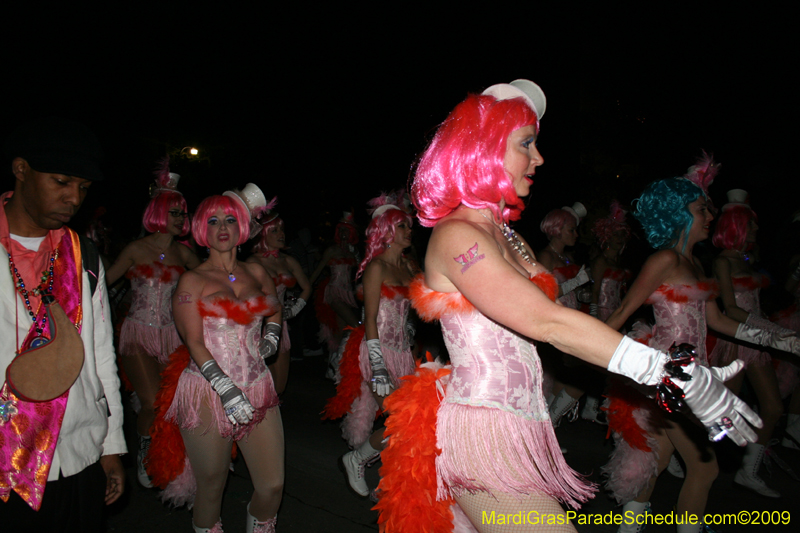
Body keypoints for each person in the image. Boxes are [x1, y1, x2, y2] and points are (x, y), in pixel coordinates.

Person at [373, 81, 761, 533]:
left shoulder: (508, 235)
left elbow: (553, 316)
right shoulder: (458, 235)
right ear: (485, 149)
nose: (538, 159)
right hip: (484, 435)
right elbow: (545, 320)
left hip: (521, 425)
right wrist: (666, 372)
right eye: (526, 144)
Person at [602, 166, 800, 533]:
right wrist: (589, 355)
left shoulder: (698, 265)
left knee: (656, 462)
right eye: (701, 210)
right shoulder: (664, 260)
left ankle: (627, 528)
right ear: (678, 215)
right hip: (668, 374)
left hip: (697, 372)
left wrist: (780, 339)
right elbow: (622, 311)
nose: (710, 216)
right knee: (704, 467)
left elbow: (722, 322)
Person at [0, 117, 126, 532]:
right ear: (21, 170)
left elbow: (102, 355)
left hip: (78, 456)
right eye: (61, 181)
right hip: (5, 464)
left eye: (84, 188)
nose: (74, 198)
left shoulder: (83, 254)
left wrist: (111, 448)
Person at [166, 187, 284, 533]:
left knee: (272, 485)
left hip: (259, 385)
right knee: (212, 486)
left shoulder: (258, 272)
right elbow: (193, 342)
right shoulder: (193, 279)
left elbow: (274, 308)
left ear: (242, 227)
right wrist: (226, 390)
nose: (222, 227)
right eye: (213, 220)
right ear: (202, 228)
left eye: (230, 219)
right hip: (208, 392)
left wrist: (272, 334)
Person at [104, 158, 200, 488]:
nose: (180, 219)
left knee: (171, 402)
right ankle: (145, 449)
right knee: (150, 401)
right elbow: (100, 286)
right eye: (174, 212)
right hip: (137, 334)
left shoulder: (185, 255)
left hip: (172, 337)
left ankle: (167, 452)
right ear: (158, 211)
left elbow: (213, 283)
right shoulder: (136, 249)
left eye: (183, 213)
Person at [322, 194, 417, 500]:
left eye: (408, 225)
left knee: (411, 426)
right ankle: (357, 459)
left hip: (404, 355)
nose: (409, 231)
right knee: (400, 424)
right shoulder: (376, 267)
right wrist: (377, 366)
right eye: (402, 226)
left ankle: (389, 482)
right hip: (377, 351)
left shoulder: (408, 266)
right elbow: (371, 319)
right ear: (387, 232)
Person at [708, 189, 791, 498]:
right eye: (752, 224)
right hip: (734, 342)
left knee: (772, 407)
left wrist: (771, 333)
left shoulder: (746, 259)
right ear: (739, 226)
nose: (756, 229)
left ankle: (747, 471)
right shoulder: (723, 263)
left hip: (757, 344)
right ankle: (688, 457)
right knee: (724, 415)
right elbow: (731, 309)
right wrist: (771, 331)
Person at [247, 202, 312, 393]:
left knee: (280, 386)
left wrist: (293, 310)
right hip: (256, 328)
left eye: (282, 229)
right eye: (274, 230)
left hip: (279, 327)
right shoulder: (252, 262)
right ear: (263, 234)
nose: (281, 234)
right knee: (259, 384)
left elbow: (307, 287)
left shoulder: (288, 261)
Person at [310, 213, 360, 375]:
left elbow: (361, 273)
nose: (344, 234)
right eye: (342, 230)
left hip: (348, 293)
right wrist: (304, 292)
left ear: (352, 233)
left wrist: (357, 257)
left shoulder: (353, 253)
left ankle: (333, 367)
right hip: (333, 292)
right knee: (356, 326)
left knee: (340, 330)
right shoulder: (332, 250)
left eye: (347, 231)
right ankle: (336, 362)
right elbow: (317, 272)